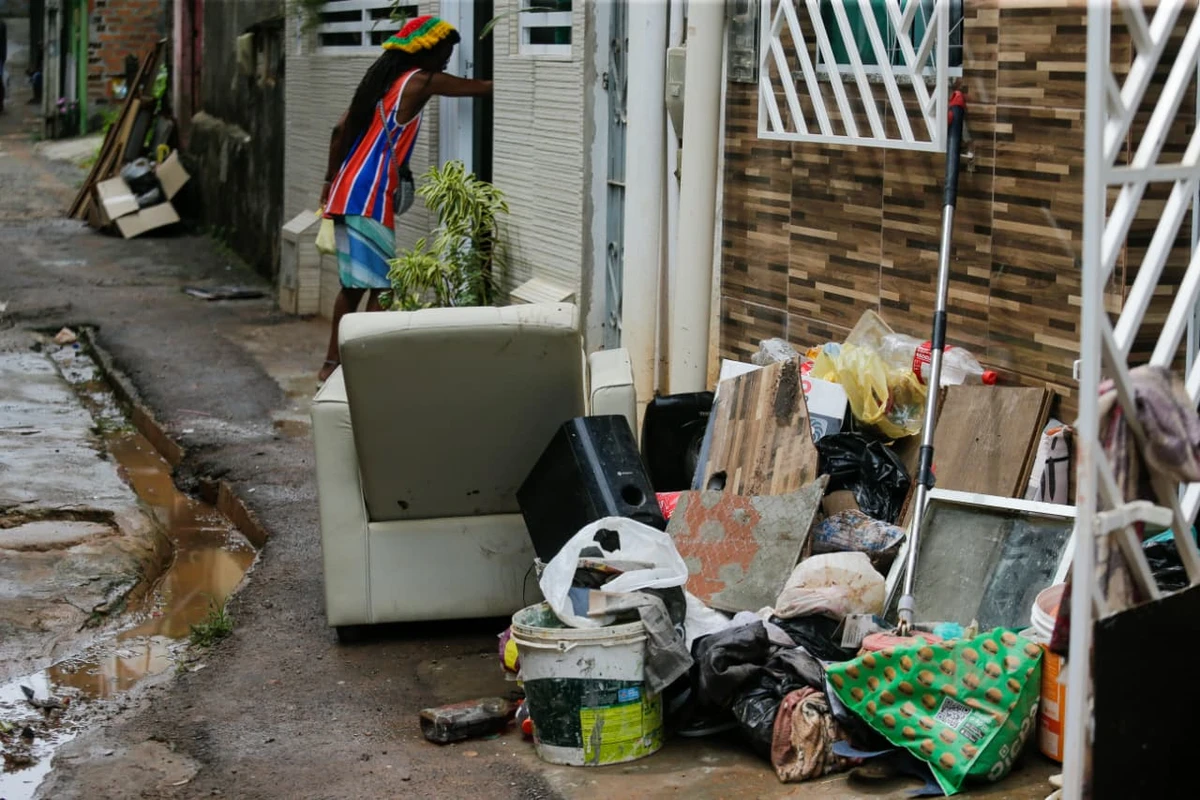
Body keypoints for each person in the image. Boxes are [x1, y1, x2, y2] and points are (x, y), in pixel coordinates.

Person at [318, 15, 492, 382]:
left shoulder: (383, 84)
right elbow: (481, 87)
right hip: (370, 195)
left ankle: (332, 364)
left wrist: (328, 182)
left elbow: (338, 131)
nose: (448, 58)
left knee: (353, 286)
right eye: (444, 51)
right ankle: (363, 364)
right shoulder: (421, 80)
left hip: (347, 189)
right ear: (424, 52)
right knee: (384, 285)